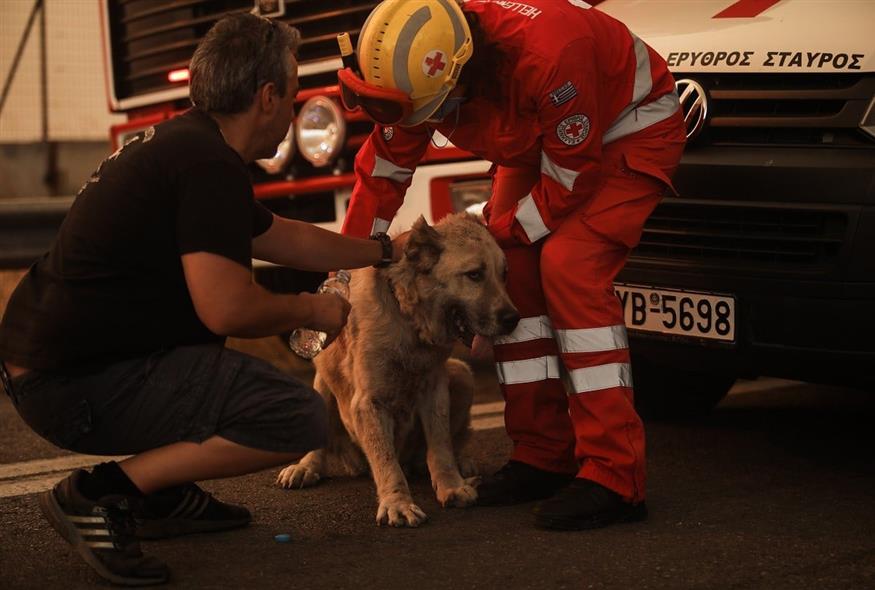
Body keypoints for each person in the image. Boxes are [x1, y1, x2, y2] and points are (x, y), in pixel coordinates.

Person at [0, 14, 400, 586]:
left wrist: (381, 251)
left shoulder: (184, 144)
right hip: (67, 389)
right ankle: (99, 494)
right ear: (266, 97)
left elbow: (281, 235)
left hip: (52, 370)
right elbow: (227, 310)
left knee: (200, 349)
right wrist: (311, 311)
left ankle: (161, 496)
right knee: (295, 417)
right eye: (290, 98)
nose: (290, 114)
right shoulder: (207, 165)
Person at [335, 0, 686, 531]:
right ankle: (543, 455)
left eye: (432, 112)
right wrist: (346, 270)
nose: (426, 125)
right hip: (543, 142)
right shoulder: (420, 68)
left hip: (625, 132)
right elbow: (383, 170)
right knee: (512, 272)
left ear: (461, 73)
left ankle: (615, 476)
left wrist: (487, 239)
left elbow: (571, 181)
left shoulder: (553, 58)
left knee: (569, 269)